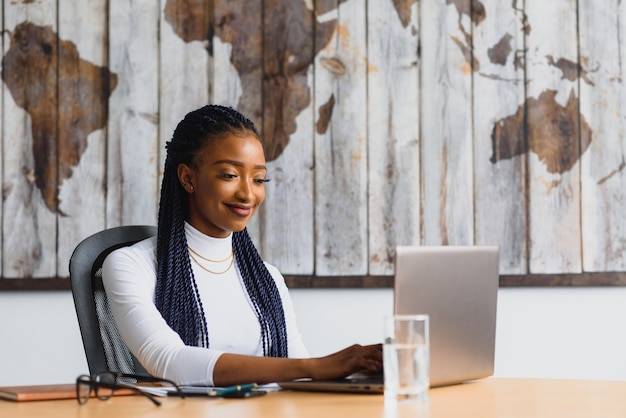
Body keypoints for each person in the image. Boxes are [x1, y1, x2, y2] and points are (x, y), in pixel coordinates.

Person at [102, 104, 382, 386]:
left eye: (259, 179)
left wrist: (362, 372)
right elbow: (169, 361)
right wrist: (315, 366)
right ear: (188, 178)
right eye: (229, 175)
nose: (248, 193)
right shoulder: (131, 265)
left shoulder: (266, 278)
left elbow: (299, 378)